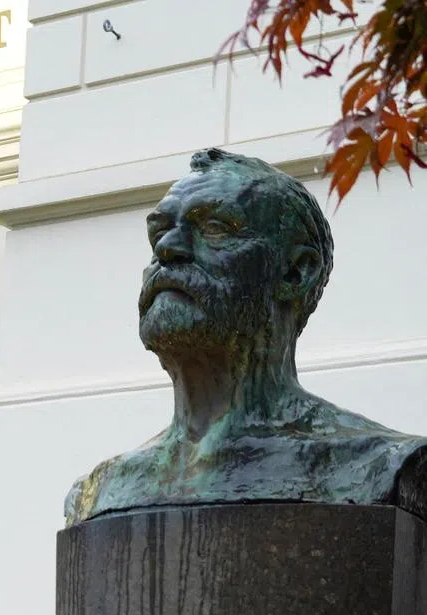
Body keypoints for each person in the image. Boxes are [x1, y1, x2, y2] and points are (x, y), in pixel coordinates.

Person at [65, 148, 427, 526]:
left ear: (295, 273)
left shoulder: (379, 465)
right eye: (159, 232)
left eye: (215, 229)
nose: (167, 249)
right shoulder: (105, 490)